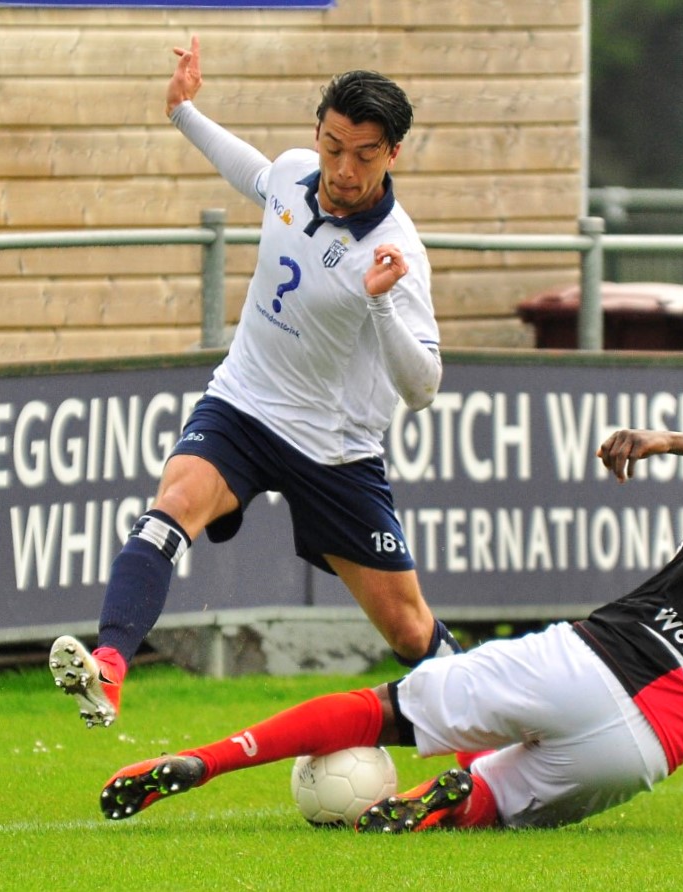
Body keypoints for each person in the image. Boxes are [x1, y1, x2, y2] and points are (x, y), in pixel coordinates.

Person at [94, 401, 683, 834]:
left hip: (590, 662)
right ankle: (447, 799)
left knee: (389, 710)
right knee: (488, 803)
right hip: (645, 752)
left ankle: (207, 759)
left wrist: (672, 438)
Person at [48, 37, 460, 728]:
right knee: (171, 504)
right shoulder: (300, 175)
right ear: (318, 135)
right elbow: (259, 176)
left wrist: (381, 300)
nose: (343, 169)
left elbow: (422, 389)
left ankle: (499, 728)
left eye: (363, 155)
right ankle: (110, 667)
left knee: (409, 631)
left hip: (333, 447)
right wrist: (184, 111)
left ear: (393, 154)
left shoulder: (397, 254)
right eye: (332, 146)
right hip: (243, 404)